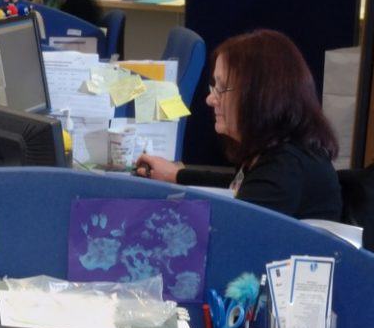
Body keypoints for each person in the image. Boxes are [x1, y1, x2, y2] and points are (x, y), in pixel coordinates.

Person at [135, 29, 343, 222]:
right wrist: (175, 174)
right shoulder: (273, 149)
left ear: (259, 96)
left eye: (222, 88)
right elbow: (237, 185)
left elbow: (232, 230)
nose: (210, 99)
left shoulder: (284, 171)